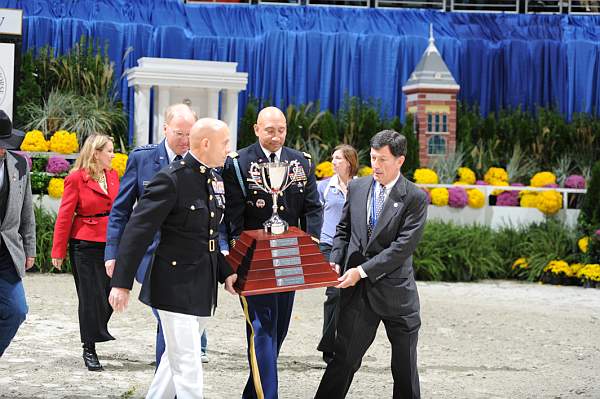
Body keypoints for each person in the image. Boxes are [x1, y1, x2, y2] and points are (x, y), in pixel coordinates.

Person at [109, 118, 237, 399]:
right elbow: (137, 231)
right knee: (188, 364)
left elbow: (210, 235)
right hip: (173, 286)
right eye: (225, 142)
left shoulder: (214, 178)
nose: (229, 148)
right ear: (206, 143)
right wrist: (122, 283)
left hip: (202, 286)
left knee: (173, 362)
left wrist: (225, 271)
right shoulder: (171, 179)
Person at [315, 130, 428, 399]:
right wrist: (335, 260)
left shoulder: (414, 197)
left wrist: (361, 271)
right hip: (357, 296)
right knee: (342, 361)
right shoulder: (357, 187)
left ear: (400, 161)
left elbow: (402, 249)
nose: (376, 165)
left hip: (396, 296)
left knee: (404, 370)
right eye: (374, 158)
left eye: (383, 160)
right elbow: (342, 231)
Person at [222, 106, 322, 399]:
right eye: (269, 130)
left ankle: (252, 395)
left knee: (278, 331)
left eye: (281, 130)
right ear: (256, 129)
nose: (276, 136)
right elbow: (233, 217)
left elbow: (312, 207)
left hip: (290, 257)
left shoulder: (300, 162)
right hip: (254, 261)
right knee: (261, 328)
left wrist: (311, 243)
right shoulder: (239, 163)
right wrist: (234, 260)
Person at [104, 103, 210, 364]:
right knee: (169, 319)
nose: (186, 141)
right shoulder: (143, 159)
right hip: (150, 256)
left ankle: (170, 374)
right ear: (165, 129)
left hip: (187, 258)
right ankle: (174, 371)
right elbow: (121, 212)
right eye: (179, 134)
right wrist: (113, 254)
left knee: (174, 322)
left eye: (190, 134)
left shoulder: (203, 163)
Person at [51, 134, 119, 371]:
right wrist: (57, 250)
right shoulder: (75, 179)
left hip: (111, 244)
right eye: (109, 151)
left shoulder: (113, 176)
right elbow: (64, 216)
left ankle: (96, 329)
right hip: (84, 244)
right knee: (90, 298)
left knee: (112, 295)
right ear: (95, 153)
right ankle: (89, 348)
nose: (112, 155)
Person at [316, 144, 358, 365]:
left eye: (338, 158)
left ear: (349, 162)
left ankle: (344, 345)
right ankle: (328, 347)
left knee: (348, 297)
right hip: (328, 246)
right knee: (334, 293)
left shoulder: (360, 187)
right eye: (332, 158)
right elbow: (313, 214)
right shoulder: (323, 186)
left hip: (352, 247)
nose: (333, 162)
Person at [0, 110, 36, 357]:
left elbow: (27, 210)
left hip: (7, 252)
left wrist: (30, 249)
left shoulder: (20, 164)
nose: (3, 150)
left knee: (17, 310)